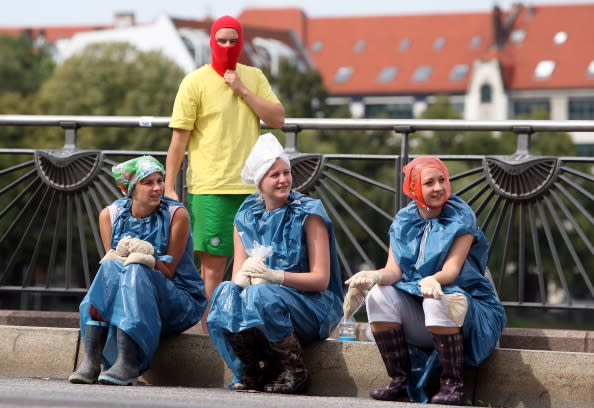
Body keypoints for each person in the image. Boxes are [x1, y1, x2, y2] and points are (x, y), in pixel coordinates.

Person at [344, 156, 506, 405]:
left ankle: (453, 384)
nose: (439, 187)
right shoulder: (403, 220)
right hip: (425, 312)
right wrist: (373, 276)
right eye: (429, 182)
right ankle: (401, 382)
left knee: (435, 297)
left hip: (469, 314)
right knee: (379, 293)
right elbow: (393, 272)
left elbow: (451, 271)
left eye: (442, 180)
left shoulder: (462, 218)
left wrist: (433, 279)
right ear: (413, 189)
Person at [166, 15, 285, 333]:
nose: (229, 46)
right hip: (211, 188)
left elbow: (278, 118)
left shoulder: (254, 76)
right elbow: (179, 140)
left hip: (252, 190)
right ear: (212, 42)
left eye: (235, 41)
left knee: (256, 268)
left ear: (242, 42)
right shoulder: (194, 82)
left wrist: (243, 89)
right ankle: (208, 338)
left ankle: (245, 333)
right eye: (223, 40)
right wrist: (168, 186)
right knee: (213, 269)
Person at [207, 133, 343, 394]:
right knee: (225, 292)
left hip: (314, 307)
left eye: (286, 173)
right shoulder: (245, 216)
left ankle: (294, 369)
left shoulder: (309, 212)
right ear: (259, 181)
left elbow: (321, 280)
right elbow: (238, 279)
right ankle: (250, 369)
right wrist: (245, 281)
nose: (283, 180)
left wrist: (274, 276)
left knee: (260, 292)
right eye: (274, 175)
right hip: (264, 304)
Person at [68, 156, 207, 386]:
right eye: (148, 182)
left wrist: (149, 256)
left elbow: (169, 271)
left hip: (176, 302)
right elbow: (111, 273)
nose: (157, 188)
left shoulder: (176, 215)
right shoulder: (109, 215)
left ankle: (129, 361)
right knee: (111, 265)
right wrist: (120, 255)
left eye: (160, 181)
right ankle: (91, 360)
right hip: (127, 297)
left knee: (136, 267)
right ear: (130, 189)